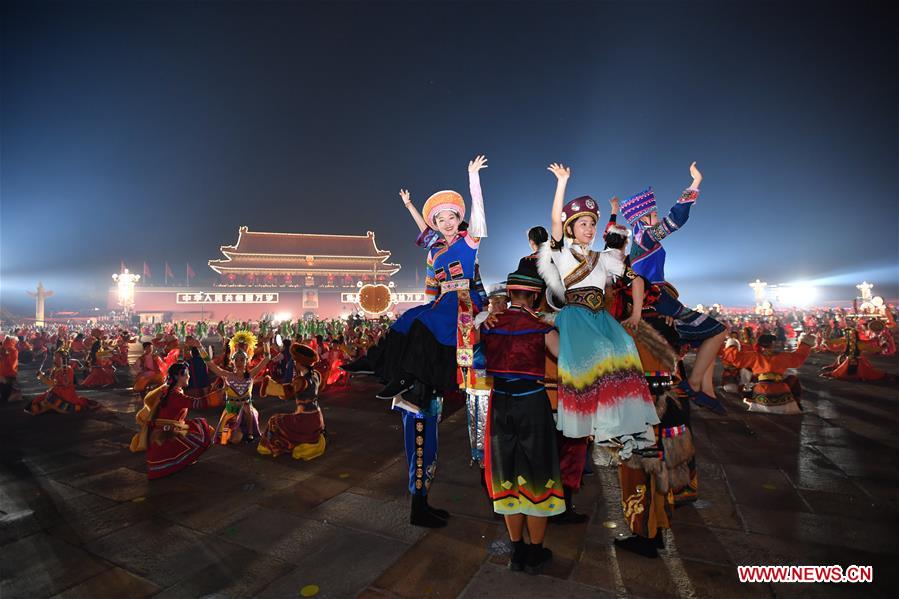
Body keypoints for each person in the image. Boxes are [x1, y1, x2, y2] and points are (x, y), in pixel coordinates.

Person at [538, 163, 658, 456]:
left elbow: (636, 279)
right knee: (603, 352)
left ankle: (629, 427)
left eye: (592, 224)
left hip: (601, 317)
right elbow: (554, 221)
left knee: (627, 348)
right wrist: (562, 182)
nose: (589, 229)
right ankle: (603, 429)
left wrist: (637, 313)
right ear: (571, 228)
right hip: (576, 317)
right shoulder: (562, 254)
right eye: (583, 224)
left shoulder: (603, 258)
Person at [619, 163, 727, 414]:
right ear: (642, 218)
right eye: (653, 214)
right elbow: (676, 219)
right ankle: (694, 383)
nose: (656, 218)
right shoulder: (645, 237)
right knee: (718, 331)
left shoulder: (637, 244)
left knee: (707, 335)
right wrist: (695, 183)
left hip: (656, 297)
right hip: (658, 300)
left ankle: (707, 391)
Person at [482, 264, 565, 574]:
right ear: (534, 296)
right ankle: (534, 552)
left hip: (500, 405)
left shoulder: (489, 324)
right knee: (538, 474)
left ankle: (516, 551)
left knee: (507, 473)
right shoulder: (542, 328)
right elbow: (567, 358)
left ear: (510, 293)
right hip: (532, 405)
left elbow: (474, 358)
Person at [129, 362, 214, 480]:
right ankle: (181, 460)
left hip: (163, 430)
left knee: (195, 426)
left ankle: (182, 458)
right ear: (179, 376)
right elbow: (198, 403)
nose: (189, 377)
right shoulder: (174, 395)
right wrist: (217, 395)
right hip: (165, 435)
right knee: (204, 430)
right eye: (187, 374)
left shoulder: (166, 389)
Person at [257, 343, 327, 460]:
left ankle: (270, 447)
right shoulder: (316, 375)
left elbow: (286, 391)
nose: (294, 363)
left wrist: (267, 385)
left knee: (274, 420)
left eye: (295, 361)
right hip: (317, 419)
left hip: (305, 420)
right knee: (285, 419)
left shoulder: (301, 381)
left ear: (299, 363)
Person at [206, 332, 271, 444]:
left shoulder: (251, 374)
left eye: (242, 360)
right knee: (231, 440)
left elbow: (267, 358)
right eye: (236, 360)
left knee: (246, 407)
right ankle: (237, 431)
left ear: (246, 362)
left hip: (247, 413)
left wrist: (265, 343)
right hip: (231, 412)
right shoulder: (227, 375)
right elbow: (209, 364)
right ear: (233, 361)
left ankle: (250, 433)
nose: (239, 362)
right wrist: (199, 347)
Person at [25, 347, 94, 415]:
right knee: (36, 401)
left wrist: (43, 377)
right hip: (55, 390)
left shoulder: (68, 369)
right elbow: (51, 383)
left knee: (50, 400)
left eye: (58, 357)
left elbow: (66, 384)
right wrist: (41, 376)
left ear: (64, 358)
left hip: (65, 392)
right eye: (55, 356)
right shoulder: (55, 369)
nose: (55, 358)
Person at [1, 335, 19, 403]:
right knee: (7, 388)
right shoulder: (13, 350)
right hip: (8, 373)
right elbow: (12, 364)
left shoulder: (2, 348)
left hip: (2, 372)